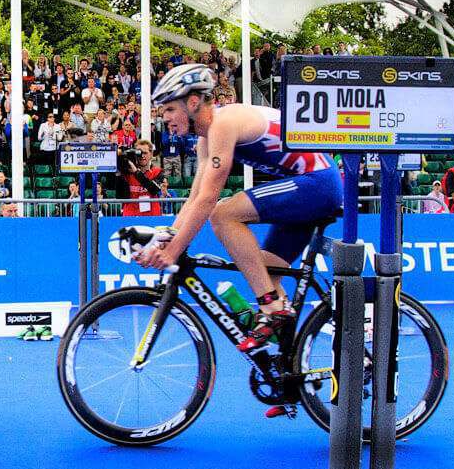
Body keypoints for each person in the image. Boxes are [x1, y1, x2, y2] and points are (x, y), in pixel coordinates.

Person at [132, 63, 341, 357]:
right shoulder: (206, 140)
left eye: (169, 109)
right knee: (261, 267)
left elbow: (208, 202)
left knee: (223, 213)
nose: (164, 118)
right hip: (304, 186)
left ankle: (270, 307)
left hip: (318, 182)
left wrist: (174, 250)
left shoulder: (223, 123)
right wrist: (166, 238)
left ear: (193, 102)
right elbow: (193, 200)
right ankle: (287, 376)